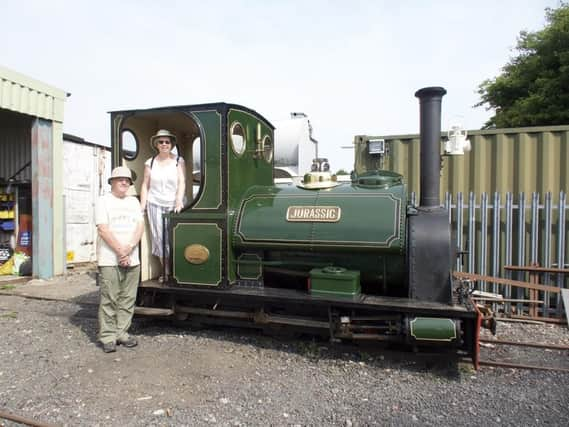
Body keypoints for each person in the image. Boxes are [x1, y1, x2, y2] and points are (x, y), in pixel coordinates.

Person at [95, 166, 144, 353]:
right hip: (110, 258)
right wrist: (120, 251)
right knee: (109, 298)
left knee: (128, 298)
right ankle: (107, 336)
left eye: (127, 180)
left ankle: (121, 333)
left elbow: (140, 226)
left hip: (132, 257)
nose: (124, 182)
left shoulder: (133, 202)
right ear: (112, 182)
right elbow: (103, 228)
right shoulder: (103, 201)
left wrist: (129, 247)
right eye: (120, 179)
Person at [139, 129, 186, 281]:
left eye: (167, 142)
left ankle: (178, 270)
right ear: (156, 145)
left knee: (175, 237)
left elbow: (182, 182)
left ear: (171, 144)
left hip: (174, 204)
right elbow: (145, 184)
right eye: (161, 142)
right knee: (159, 238)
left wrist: (179, 200)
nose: (164, 144)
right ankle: (165, 271)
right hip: (155, 203)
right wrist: (142, 206)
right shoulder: (150, 162)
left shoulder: (179, 160)